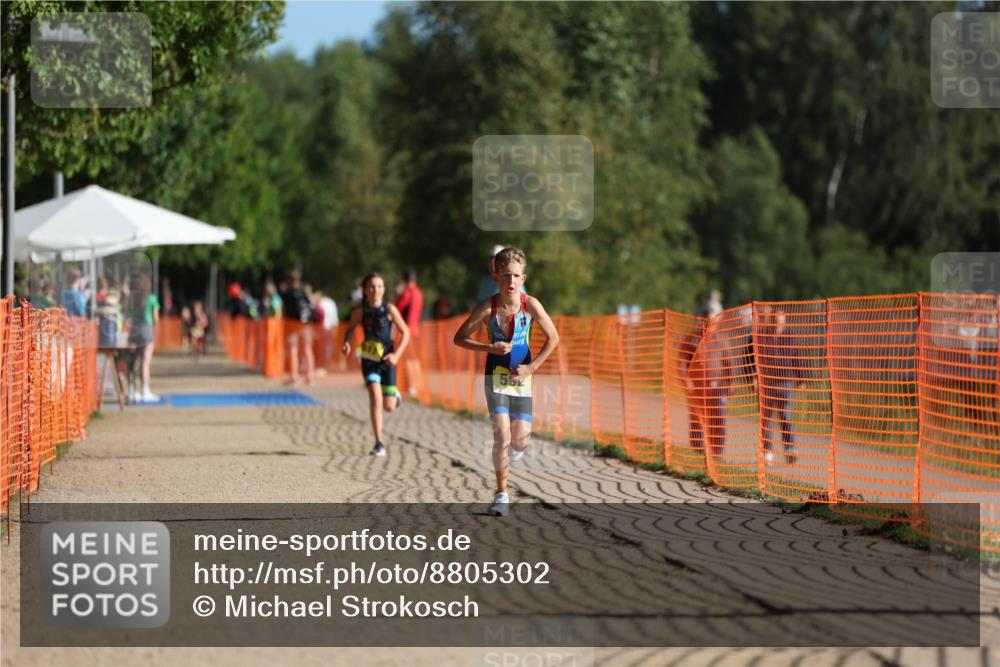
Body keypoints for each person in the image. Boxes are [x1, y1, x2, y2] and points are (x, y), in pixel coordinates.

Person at [453, 247, 559, 517]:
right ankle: (502, 494)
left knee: (520, 441)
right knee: (502, 436)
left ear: (523, 278)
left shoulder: (531, 305)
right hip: (495, 376)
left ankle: (514, 450)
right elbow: (459, 338)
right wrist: (489, 348)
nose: (510, 281)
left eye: (515, 276)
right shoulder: (486, 308)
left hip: (522, 377)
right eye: (505, 276)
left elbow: (554, 338)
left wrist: (531, 368)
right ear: (496, 277)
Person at [341, 272, 411, 457]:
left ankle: (395, 397)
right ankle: (379, 442)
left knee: (388, 406)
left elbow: (406, 332)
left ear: (384, 289)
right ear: (365, 290)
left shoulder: (389, 309)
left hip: (388, 360)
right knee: (375, 397)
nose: (376, 290)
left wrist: (396, 355)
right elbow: (350, 329)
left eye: (379, 286)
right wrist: (347, 342)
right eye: (372, 286)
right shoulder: (360, 311)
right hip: (369, 359)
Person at [127, 272, 160, 403]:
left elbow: (127, 315)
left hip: (134, 330)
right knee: (145, 363)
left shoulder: (131, 299)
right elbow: (155, 319)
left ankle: (131, 391)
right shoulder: (152, 298)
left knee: (132, 362)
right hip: (146, 330)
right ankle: (145, 391)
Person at [281, 269, 315, 385]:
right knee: (307, 348)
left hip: (292, 323)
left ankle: (294, 375)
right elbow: (311, 304)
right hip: (306, 324)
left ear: (289, 279)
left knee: (293, 349)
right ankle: (310, 376)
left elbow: (284, 309)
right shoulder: (303, 291)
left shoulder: (287, 292)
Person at [395, 268, 425, 398]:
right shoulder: (419, 293)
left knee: (407, 359)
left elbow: (396, 310)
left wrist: (398, 295)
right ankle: (417, 385)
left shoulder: (406, 293)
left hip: (406, 331)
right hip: (416, 329)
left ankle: (412, 386)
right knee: (414, 359)